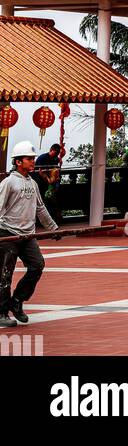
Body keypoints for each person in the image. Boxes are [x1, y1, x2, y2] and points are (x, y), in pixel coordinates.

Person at [0, 140, 61, 328]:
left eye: (33, 158)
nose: (33, 161)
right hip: (7, 233)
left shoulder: (33, 183)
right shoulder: (8, 183)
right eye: (29, 158)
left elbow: (40, 209)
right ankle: (2, 313)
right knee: (4, 274)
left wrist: (53, 228)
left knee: (37, 265)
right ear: (18, 162)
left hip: (27, 235)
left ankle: (17, 300)